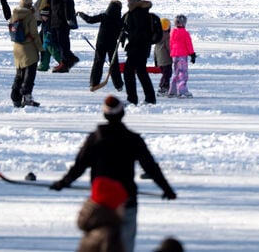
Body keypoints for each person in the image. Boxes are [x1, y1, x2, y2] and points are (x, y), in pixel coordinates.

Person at [50, 95, 177, 252]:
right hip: (126, 202)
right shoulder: (132, 139)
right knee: (124, 246)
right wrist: (166, 189)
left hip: (101, 204)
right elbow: (151, 167)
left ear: (105, 114)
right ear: (122, 113)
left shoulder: (95, 139)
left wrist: (62, 183)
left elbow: (79, 167)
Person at [118, 0, 158, 105]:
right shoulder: (136, 12)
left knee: (128, 72)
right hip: (141, 47)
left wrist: (129, 40)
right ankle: (150, 98)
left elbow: (138, 32)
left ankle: (132, 99)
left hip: (137, 48)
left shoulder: (137, 13)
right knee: (141, 72)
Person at [79, 0, 124, 91]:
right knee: (114, 64)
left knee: (98, 62)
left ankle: (94, 83)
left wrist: (81, 14)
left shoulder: (104, 16)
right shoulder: (119, 21)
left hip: (101, 42)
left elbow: (90, 20)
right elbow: (122, 33)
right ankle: (118, 85)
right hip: (112, 44)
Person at [76, 176, 129, 252]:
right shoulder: (109, 235)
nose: (124, 209)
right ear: (113, 207)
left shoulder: (92, 230)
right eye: (122, 205)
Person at [8, 0, 42, 107]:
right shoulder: (29, 16)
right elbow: (34, 34)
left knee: (19, 73)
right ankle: (27, 95)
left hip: (17, 48)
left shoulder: (14, 14)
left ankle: (15, 96)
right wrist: (40, 48)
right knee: (29, 73)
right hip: (29, 48)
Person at [49, 0, 79, 72]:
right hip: (56, 17)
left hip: (62, 18)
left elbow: (68, 2)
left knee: (62, 42)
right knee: (56, 40)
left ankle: (65, 63)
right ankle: (69, 59)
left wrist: (69, 17)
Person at [167, 14, 196, 98]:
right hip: (182, 55)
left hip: (175, 55)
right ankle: (182, 89)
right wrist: (192, 54)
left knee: (176, 72)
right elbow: (188, 45)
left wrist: (171, 53)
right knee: (183, 73)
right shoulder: (185, 33)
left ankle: (173, 90)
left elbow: (171, 43)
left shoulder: (173, 32)